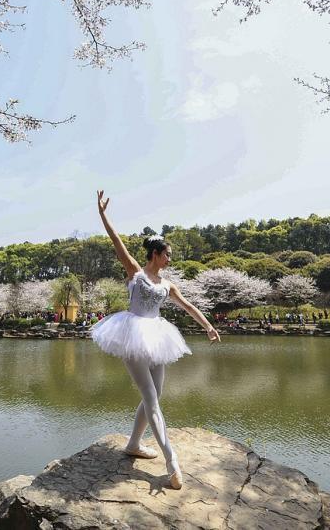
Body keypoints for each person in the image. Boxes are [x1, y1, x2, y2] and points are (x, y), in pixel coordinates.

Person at [89, 191, 220, 490]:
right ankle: (171, 460)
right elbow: (116, 242)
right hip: (132, 333)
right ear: (155, 255)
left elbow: (188, 306)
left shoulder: (168, 284)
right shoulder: (136, 273)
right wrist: (103, 215)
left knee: (155, 396)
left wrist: (208, 326)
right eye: (167, 254)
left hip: (158, 335)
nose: (170, 258)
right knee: (150, 399)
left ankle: (133, 443)